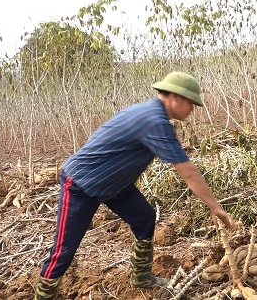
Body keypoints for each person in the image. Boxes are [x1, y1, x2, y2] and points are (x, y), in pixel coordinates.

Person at [34, 72, 237, 299]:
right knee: (63, 251)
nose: (192, 109)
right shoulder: (154, 121)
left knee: (145, 218)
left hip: (114, 183)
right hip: (81, 183)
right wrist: (215, 207)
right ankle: (43, 296)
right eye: (191, 103)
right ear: (175, 98)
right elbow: (188, 172)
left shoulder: (150, 114)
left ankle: (141, 276)